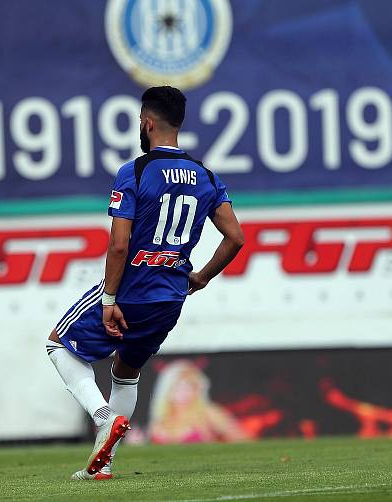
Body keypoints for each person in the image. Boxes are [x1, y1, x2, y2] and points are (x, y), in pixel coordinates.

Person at [45, 86, 245, 480]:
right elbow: (236, 237)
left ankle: (104, 417)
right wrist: (201, 277)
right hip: (170, 296)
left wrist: (108, 299)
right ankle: (104, 464)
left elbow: (119, 245)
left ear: (148, 122)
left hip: (132, 287)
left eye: (140, 120)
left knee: (58, 344)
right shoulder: (205, 176)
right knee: (126, 372)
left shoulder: (135, 171)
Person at [148, 360, 247, 443]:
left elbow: (241, 438)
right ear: (168, 390)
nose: (184, 392)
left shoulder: (208, 412)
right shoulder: (161, 418)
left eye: (190, 387)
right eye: (179, 387)